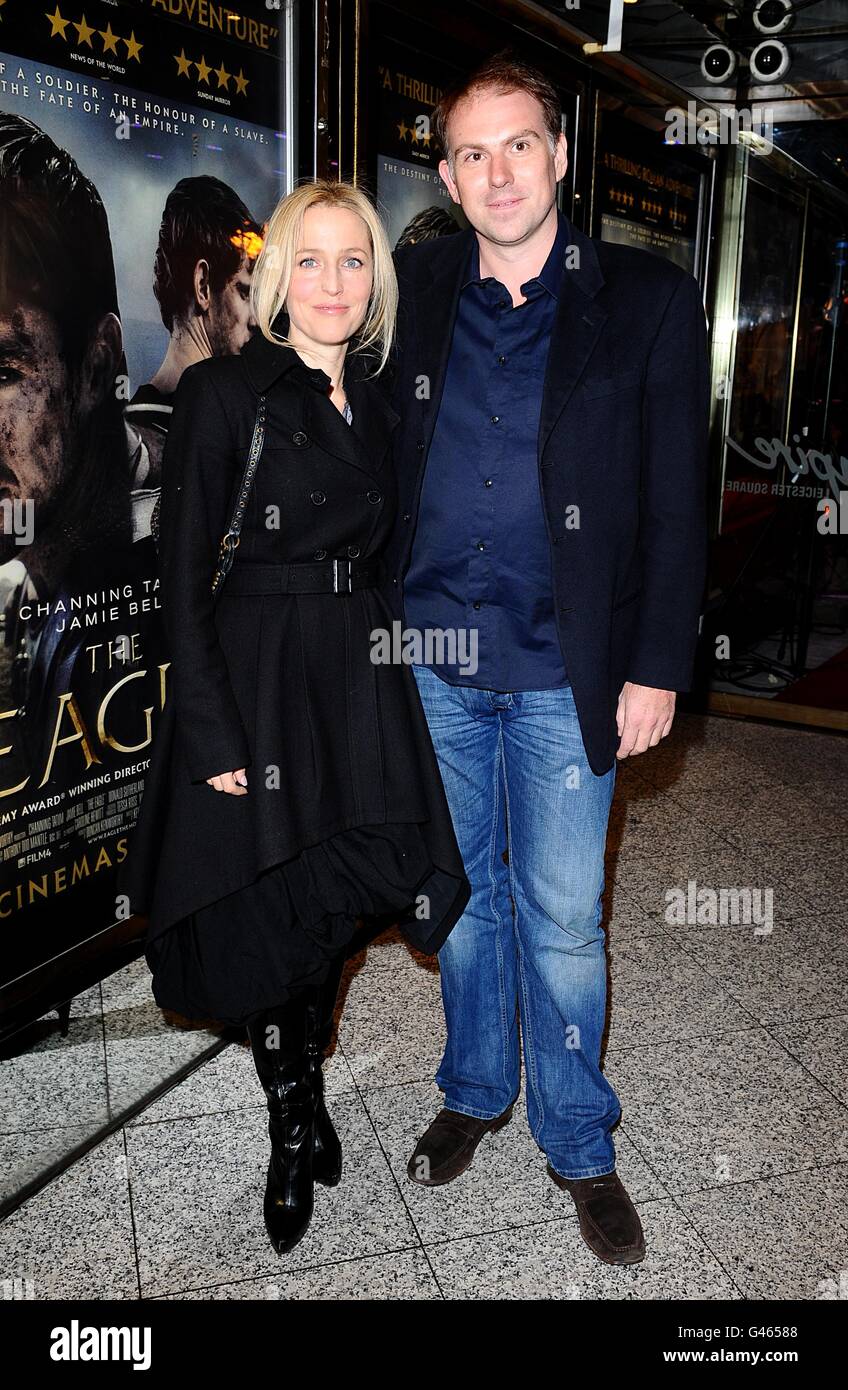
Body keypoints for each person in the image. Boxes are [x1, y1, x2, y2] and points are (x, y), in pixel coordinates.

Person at [383, 50, 709, 1266]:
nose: (497, 170)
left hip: (572, 671)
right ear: (447, 174)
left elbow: (677, 503)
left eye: (518, 143)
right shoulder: (412, 287)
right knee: (459, 902)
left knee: (564, 919)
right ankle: (473, 1089)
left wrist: (656, 666)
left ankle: (578, 1139)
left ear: (561, 153)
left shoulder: (645, 299)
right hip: (430, 662)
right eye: (471, 151)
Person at [118, 179, 471, 1256]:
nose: (330, 282)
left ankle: (303, 1078)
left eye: (351, 260)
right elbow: (180, 584)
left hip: (355, 673)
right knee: (266, 906)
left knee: (333, 898)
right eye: (307, 260)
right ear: (275, 277)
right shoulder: (228, 392)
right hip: (258, 678)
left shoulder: (383, 398)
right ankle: (290, 1118)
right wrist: (215, 738)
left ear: (375, 281)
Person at [124, 176, 264, 549]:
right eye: (245, 292)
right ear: (203, 285)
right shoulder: (133, 444)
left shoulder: (239, 413)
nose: (256, 318)